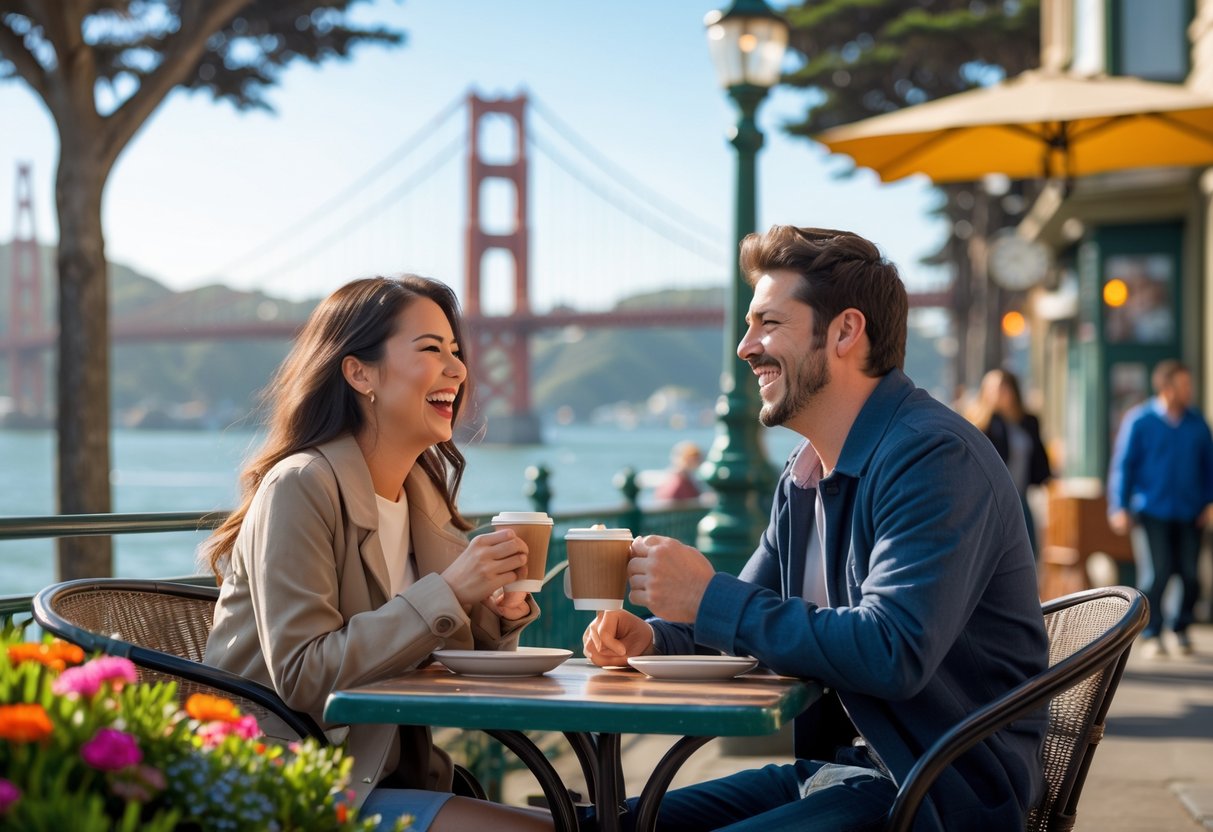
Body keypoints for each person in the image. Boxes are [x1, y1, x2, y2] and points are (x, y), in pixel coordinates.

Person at [584, 226, 1049, 832]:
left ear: (845, 332)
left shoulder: (933, 457)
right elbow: (735, 622)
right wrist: (654, 640)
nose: (745, 347)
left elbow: (893, 650)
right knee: (604, 823)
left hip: (937, 792)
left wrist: (705, 596)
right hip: (847, 771)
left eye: (769, 324)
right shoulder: (804, 476)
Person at [202, 276, 551, 832]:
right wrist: (453, 590)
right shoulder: (301, 485)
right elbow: (304, 674)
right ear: (359, 372)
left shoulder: (420, 493)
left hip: (388, 778)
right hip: (290, 783)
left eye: (456, 352)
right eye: (432, 350)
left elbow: (433, 644)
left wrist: (496, 616)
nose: (458, 370)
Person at [1107, 359, 1213, 658]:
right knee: (1157, 573)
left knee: (1191, 575)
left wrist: (1210, 501)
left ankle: (1181, 629)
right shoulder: (1140, 421)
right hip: (1152, 510)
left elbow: (1210, 466)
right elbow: (1123, 467)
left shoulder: (1197, 423)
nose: (1189, 390)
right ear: (1167, 388)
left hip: (1191, 511)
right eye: (1183, 385)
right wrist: (1119, 506)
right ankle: (1153, 633)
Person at [967, 368, 1052, 555]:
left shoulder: (1028, 422)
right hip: (992, 501)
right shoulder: (982, 425)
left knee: (1027, 552)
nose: (998, 393)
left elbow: (1039, 459)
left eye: (1003, 387)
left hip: (1021, 497)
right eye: (993, 389)